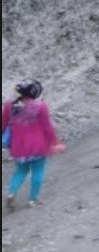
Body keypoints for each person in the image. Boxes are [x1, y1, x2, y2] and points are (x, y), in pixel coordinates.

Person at [2, 79, 59, 210]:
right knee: (38, 171)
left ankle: (11, 193)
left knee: (20, 172)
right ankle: (33, 199)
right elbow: (47, 127)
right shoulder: (40, 106)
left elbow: (3, 125)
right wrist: (55, 142)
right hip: (38, 145)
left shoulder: (9, 105)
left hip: (18, 146)